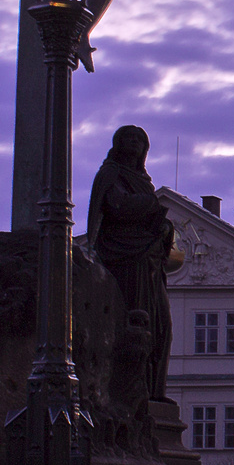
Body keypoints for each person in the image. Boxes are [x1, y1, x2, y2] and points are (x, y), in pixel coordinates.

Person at [86, 125, 175, 401]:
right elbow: (117, 206)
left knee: (162, 327)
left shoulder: (143, 181)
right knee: (133, 322)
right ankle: (131, 390)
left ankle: (153, 390)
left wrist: (163, 228)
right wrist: (150, 206)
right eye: (129, 138)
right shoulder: (111, 174)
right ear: (118, 143)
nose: (135, 143)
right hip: (124, 260)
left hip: (148, 261)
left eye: (140, 139)